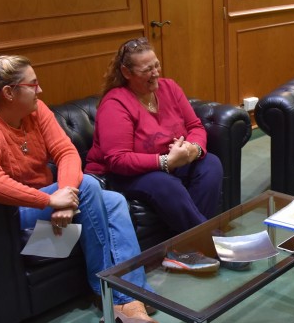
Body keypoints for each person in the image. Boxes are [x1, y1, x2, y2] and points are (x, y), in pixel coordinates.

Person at [0, 55, 160, 323]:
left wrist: (64, 197)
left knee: (114, 202)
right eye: (33, 84)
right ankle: (121, 295)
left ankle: (127, 296)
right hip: (19, 220)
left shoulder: (35, 111)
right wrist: (49, 202)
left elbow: (66, 152)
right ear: (9, 93)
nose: (40, 91)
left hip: (51, 213)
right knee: (90, 186)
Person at [85, 37, 223, 235]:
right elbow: (118, 159)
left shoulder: (170, 88)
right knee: (165, 184)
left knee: (210, 164)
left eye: (156, 65)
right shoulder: (115, 104)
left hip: (171, 162)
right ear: (126, 72)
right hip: (125, 174)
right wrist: (165, 161)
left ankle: (189, 247)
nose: (155, 73)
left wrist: (194, 149)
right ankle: (211, 240)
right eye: (146, 70)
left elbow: (194, 126)